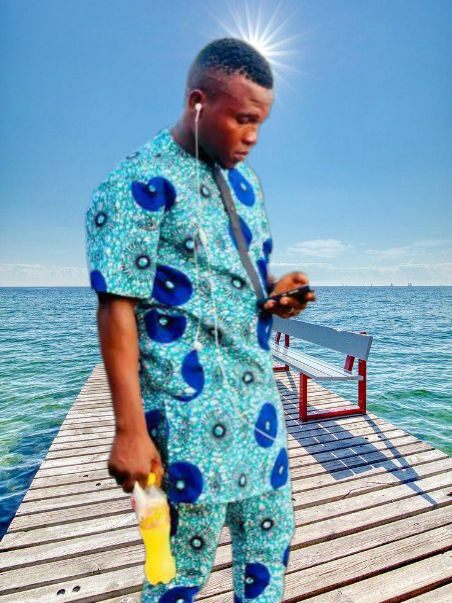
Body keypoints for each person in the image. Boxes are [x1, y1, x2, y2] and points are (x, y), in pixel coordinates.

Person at [86, 37, 315, 603]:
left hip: (259, 411)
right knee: (180, 570)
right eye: (243, 119)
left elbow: (239, 283)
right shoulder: (137, 182)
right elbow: (116, 305)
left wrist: (278, 294)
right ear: (197, 102)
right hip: (187, 417)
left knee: (269, 549)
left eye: (260, 123)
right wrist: (129, 430)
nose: (252, 136)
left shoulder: (246, 183)